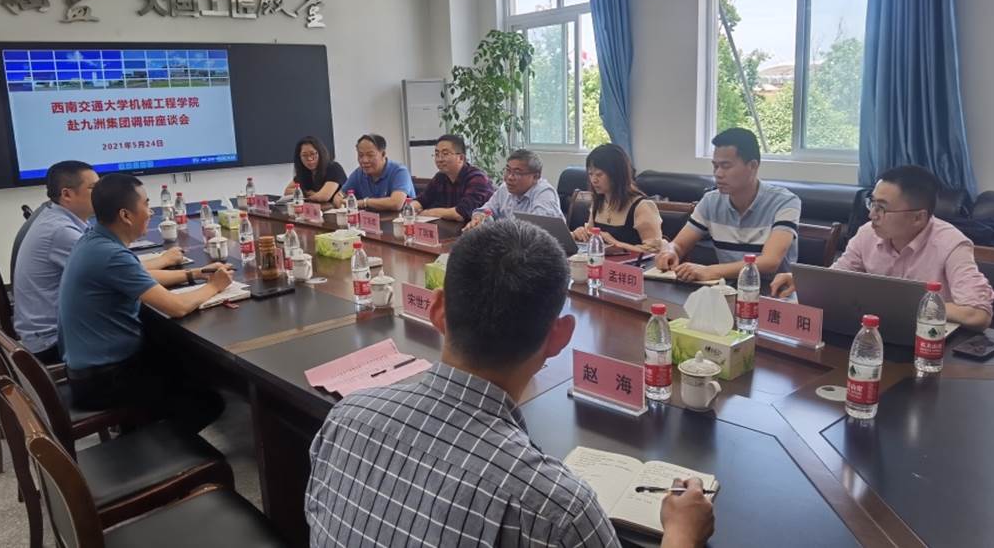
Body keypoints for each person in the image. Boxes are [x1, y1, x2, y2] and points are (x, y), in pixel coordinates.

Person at [306, 220, 715, 547]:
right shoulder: (556, 507)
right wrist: (682, 533)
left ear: (437, 310)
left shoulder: (346, 417)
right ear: (559, 338)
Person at [58, 173, 231, 432]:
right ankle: (147, 443)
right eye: (147, 205)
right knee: (206, 400)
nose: (150, 212)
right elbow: (177, 307)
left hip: (89, 368)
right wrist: (214, 286)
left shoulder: (94, 239)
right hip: (104, 380)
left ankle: (142, 424)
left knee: (184, 359)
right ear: (126, 215)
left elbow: (137, 276)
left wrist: (195, 273)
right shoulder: (110, 254)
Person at [771, 165, 994, 330]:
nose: (872, 215)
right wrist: (805, 281)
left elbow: (978, 314)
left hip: (930, 344)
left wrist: (906, 306)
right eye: (872, 203)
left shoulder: (951, 244)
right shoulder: (867, 233)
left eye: (882, 208)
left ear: (918, 218)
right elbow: (837, 278)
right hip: (877, 333)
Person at [13, 162, 186, 365]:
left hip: (62, 329)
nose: (101, 193)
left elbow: (120, 267)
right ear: (67, 194)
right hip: (55, 341)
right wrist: (169, 263)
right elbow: (120, 269)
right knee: (169, 344)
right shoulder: (61, 232)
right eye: (93, 188)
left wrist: (168, 263)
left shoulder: (60, 218)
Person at [656, 127, 801, 282]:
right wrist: (669, 251)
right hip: (726, 289)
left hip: (772, 291)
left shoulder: (785, 202)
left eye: (726, 166)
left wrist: (711, 271)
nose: (718, 174)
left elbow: (770, 262)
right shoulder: (711, 201)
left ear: (753, 166)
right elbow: (679, 245)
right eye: (715, 166)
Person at [572, 144, 663, 254]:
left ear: (616, 175)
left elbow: (655, 251)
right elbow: (591, 237)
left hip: (633, 264)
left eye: (599, 174)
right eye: (590, 174)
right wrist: (579, 234)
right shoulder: (598, 202)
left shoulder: (642, 206)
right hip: (602, 262)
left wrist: (616, 244)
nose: (593, 180)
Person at [463, 149, 563, 230]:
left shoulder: (544, 193)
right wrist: (479, 218)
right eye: (508, 170)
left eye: (517, 173)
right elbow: (487, 210)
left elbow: (538, 230)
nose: (510, 177)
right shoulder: (504, 189)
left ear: (536, 176)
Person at [410, 134, 494, 223]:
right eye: (437, 154)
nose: (439, 159)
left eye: (445, 154)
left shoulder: (477, 179)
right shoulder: (440, 177)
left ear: (461, 158)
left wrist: (429, 212)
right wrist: (411, 208)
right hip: (451, 228)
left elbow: (461, 213)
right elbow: (422, 200)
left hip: (478, 229)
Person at [337, 133, 415, 212]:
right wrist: (339, 200)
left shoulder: (399, 171)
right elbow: (340, 195)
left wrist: (364, 202)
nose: (364, 160)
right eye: (360, 155)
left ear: (383, 154)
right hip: (371, 219)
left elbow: (396, 203)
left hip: (400, 219)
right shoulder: (359, 173)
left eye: (370, 155)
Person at [285, 136, 347, 204]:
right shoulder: (305, 172)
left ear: (320, 153)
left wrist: (302, 194)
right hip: (317, 209)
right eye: (304, 155)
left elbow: (323, 197)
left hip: (339, 209)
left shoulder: (334, 168)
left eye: (312, 154)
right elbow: (287, 192)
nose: (309, 158)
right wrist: (306, 193)